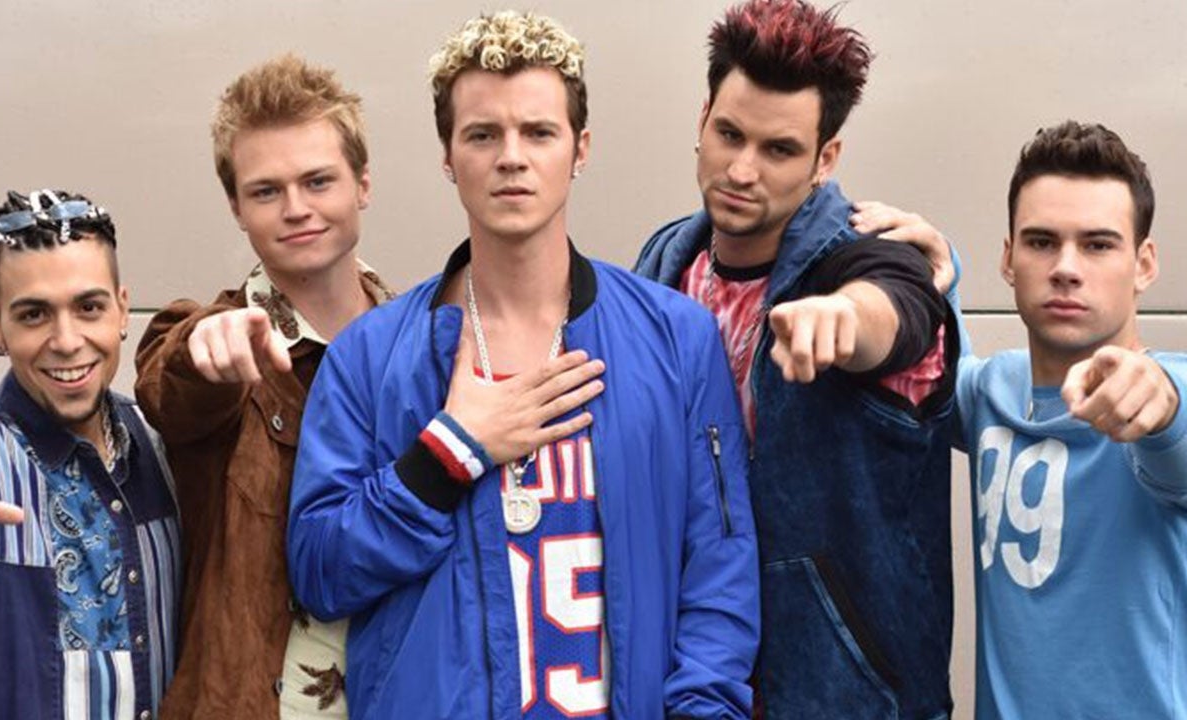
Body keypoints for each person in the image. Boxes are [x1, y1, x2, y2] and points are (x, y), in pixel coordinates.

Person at [288, 10, 759, 719]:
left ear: (580, 148)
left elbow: (719, 575)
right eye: (483, 134)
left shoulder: (676, 340)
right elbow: (320, 573)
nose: (511, 157)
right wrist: (447, 455)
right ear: (448, 156)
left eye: (538, 132)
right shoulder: (369, 357)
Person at [633, 0, 960, 717]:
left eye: (779, 150)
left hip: (840, 695)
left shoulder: (868, 255)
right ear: (702, 120)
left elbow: (900, 309)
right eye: (729, 134)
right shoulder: (662, 263)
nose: (742, 169)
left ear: (825, 158)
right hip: (688, 681)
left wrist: (844, 318)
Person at [135, 55, 391, 719]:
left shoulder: (422, 341)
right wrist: (206, 349)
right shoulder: (220, 337)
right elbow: (170, 388)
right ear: (236, 207)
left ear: (363, 184)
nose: (297, 209)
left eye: (318, 181)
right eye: (266, 191)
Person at [0, 189, 180, 719]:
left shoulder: (160, 444)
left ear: (123, 309)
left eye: (89, 307)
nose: (67, 340)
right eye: (34, 315)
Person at [957, 121, 1185, 719]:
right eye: (1040, 242)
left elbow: (1172, 417)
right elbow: (926, 366)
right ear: (1008, 258)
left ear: (1144, 264)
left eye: (1098, 245)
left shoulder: (1160, 395)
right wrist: (932, 272)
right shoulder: (990, 390)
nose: (1065, 267)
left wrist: (1163, 399)